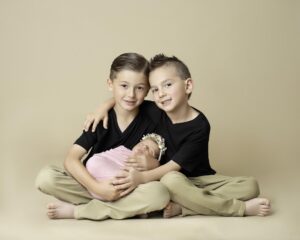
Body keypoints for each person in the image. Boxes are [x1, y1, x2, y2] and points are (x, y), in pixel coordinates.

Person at [85, 54, 271, 218]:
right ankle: (238, 209)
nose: (161, 94)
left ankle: (186, 207)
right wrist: (103, 107)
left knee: (250, 186)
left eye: (167, 85)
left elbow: (174, 166)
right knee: (171, 180)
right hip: (166, 180)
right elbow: (127, 98)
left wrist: (141, 178)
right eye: (155, 89)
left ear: (188, 85)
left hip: (200, 181)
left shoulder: (200, 125)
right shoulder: (156, 111)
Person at [35, 53, 170, 220]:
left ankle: (81, 211)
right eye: (124, 86)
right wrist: (98, 188)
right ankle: (130, 208)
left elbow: (169, 155)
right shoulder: (100, 120)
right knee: (46, 178)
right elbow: (71, 159)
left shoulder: (155, 114)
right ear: (110, 84)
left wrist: (154, 164)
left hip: (131, 188)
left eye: (140, 88)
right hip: (93, 185)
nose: (131, 94)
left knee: (159, 193)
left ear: (148, 89)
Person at [86, 133, 167, 199]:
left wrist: (154, 166)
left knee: (156, 191)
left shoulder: (147, 170)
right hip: (93, 173)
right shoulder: (122, 150)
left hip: (115, 187)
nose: (144, 147)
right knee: (94, 163)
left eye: (149, 150)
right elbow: (102, 157)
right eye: (142, 143)